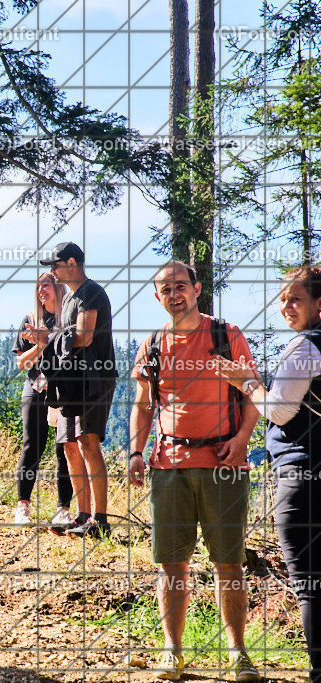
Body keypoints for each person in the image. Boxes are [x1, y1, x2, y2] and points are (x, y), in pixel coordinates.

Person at [129, 261, 261, 682]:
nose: (174, 294)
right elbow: (143, 404)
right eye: (165, 289)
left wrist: (241, 441)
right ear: (157, 296)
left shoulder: (226, 335)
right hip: (168, 465)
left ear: (197, 288)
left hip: (223, 465)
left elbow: (252, 391)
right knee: (171, 564)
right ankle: (173, 651)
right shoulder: (152, 344)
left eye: (180, 286)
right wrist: (135, 451)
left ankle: (237, 653)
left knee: (229, 564)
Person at [215, 266, 321, 683]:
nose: (285, 306)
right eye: (282, 299)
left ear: (318, 304)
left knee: (310, 583)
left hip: (301, 475)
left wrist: (246, 382)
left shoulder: (305, 347)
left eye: (295, 298)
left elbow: (278, 410)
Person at [37, 241, 117, 538]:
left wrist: (53, 337)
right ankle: (82, 515)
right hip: (70, 381)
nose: (53, 272)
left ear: (72, 262)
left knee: (88, 442)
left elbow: (82, 337)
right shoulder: (70, 298)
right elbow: (68, 339)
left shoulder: (91, 292)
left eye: (55, 265)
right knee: (69, 445)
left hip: (95, 378)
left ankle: (100, 520)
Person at [12, 272, 74, 532]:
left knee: (64, 448)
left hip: (64, 389)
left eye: (46, 285)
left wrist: (47, 339)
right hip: (35, 387)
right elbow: (20, 363)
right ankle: (22, 506)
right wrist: (39, 345)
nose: (41, 291)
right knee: (31, 445)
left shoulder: (69, 318)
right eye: (38, 286)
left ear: (58, 288)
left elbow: (74, 350)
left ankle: (63, 509)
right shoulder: (29, 320)